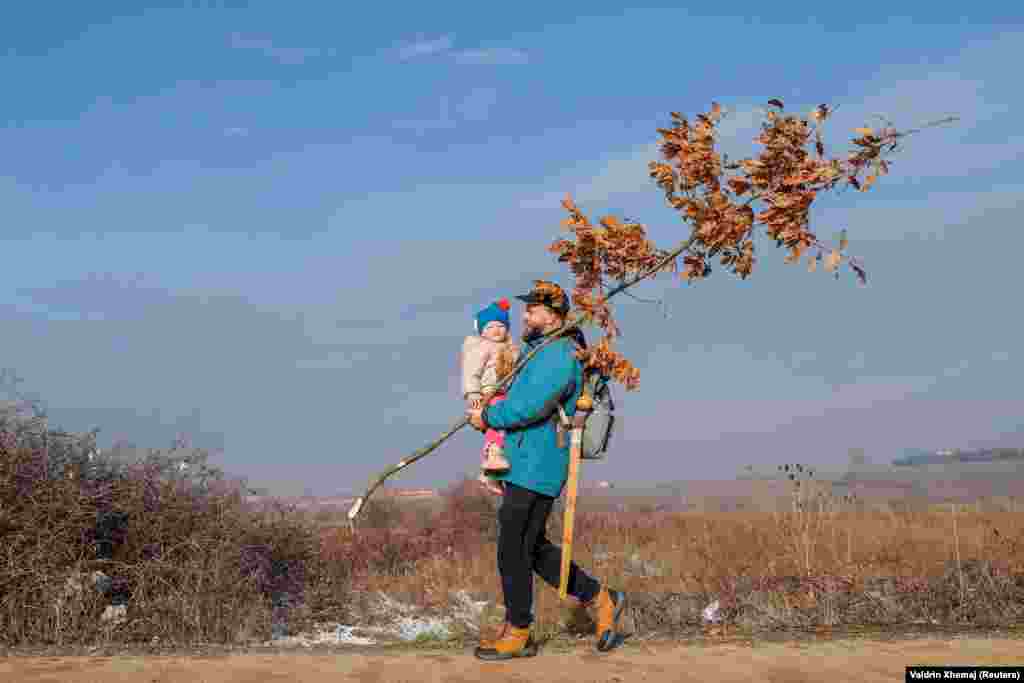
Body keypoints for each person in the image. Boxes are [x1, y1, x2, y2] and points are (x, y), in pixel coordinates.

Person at [466, 280, 627, 660]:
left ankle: (519, 633)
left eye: (533, 310)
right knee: (532, 549)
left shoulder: (559, 354)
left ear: (552, 315)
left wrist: (487, 416)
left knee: (512, 549)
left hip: (538, 465)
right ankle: (601, 598)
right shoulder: (539, 351)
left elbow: (531, 406)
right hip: (525, 461)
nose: (525, 316)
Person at [460, 298, 520, 496]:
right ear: (482, 330)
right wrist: (473, 393)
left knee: (508, 428)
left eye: (501, 325)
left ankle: (490, 474)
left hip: (507, 393)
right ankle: (492, 454)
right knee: (498, 423)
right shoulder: (481, 347)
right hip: (490, 392)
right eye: (491, 326)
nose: (497, 330)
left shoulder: (511, 348)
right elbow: (471, 371)